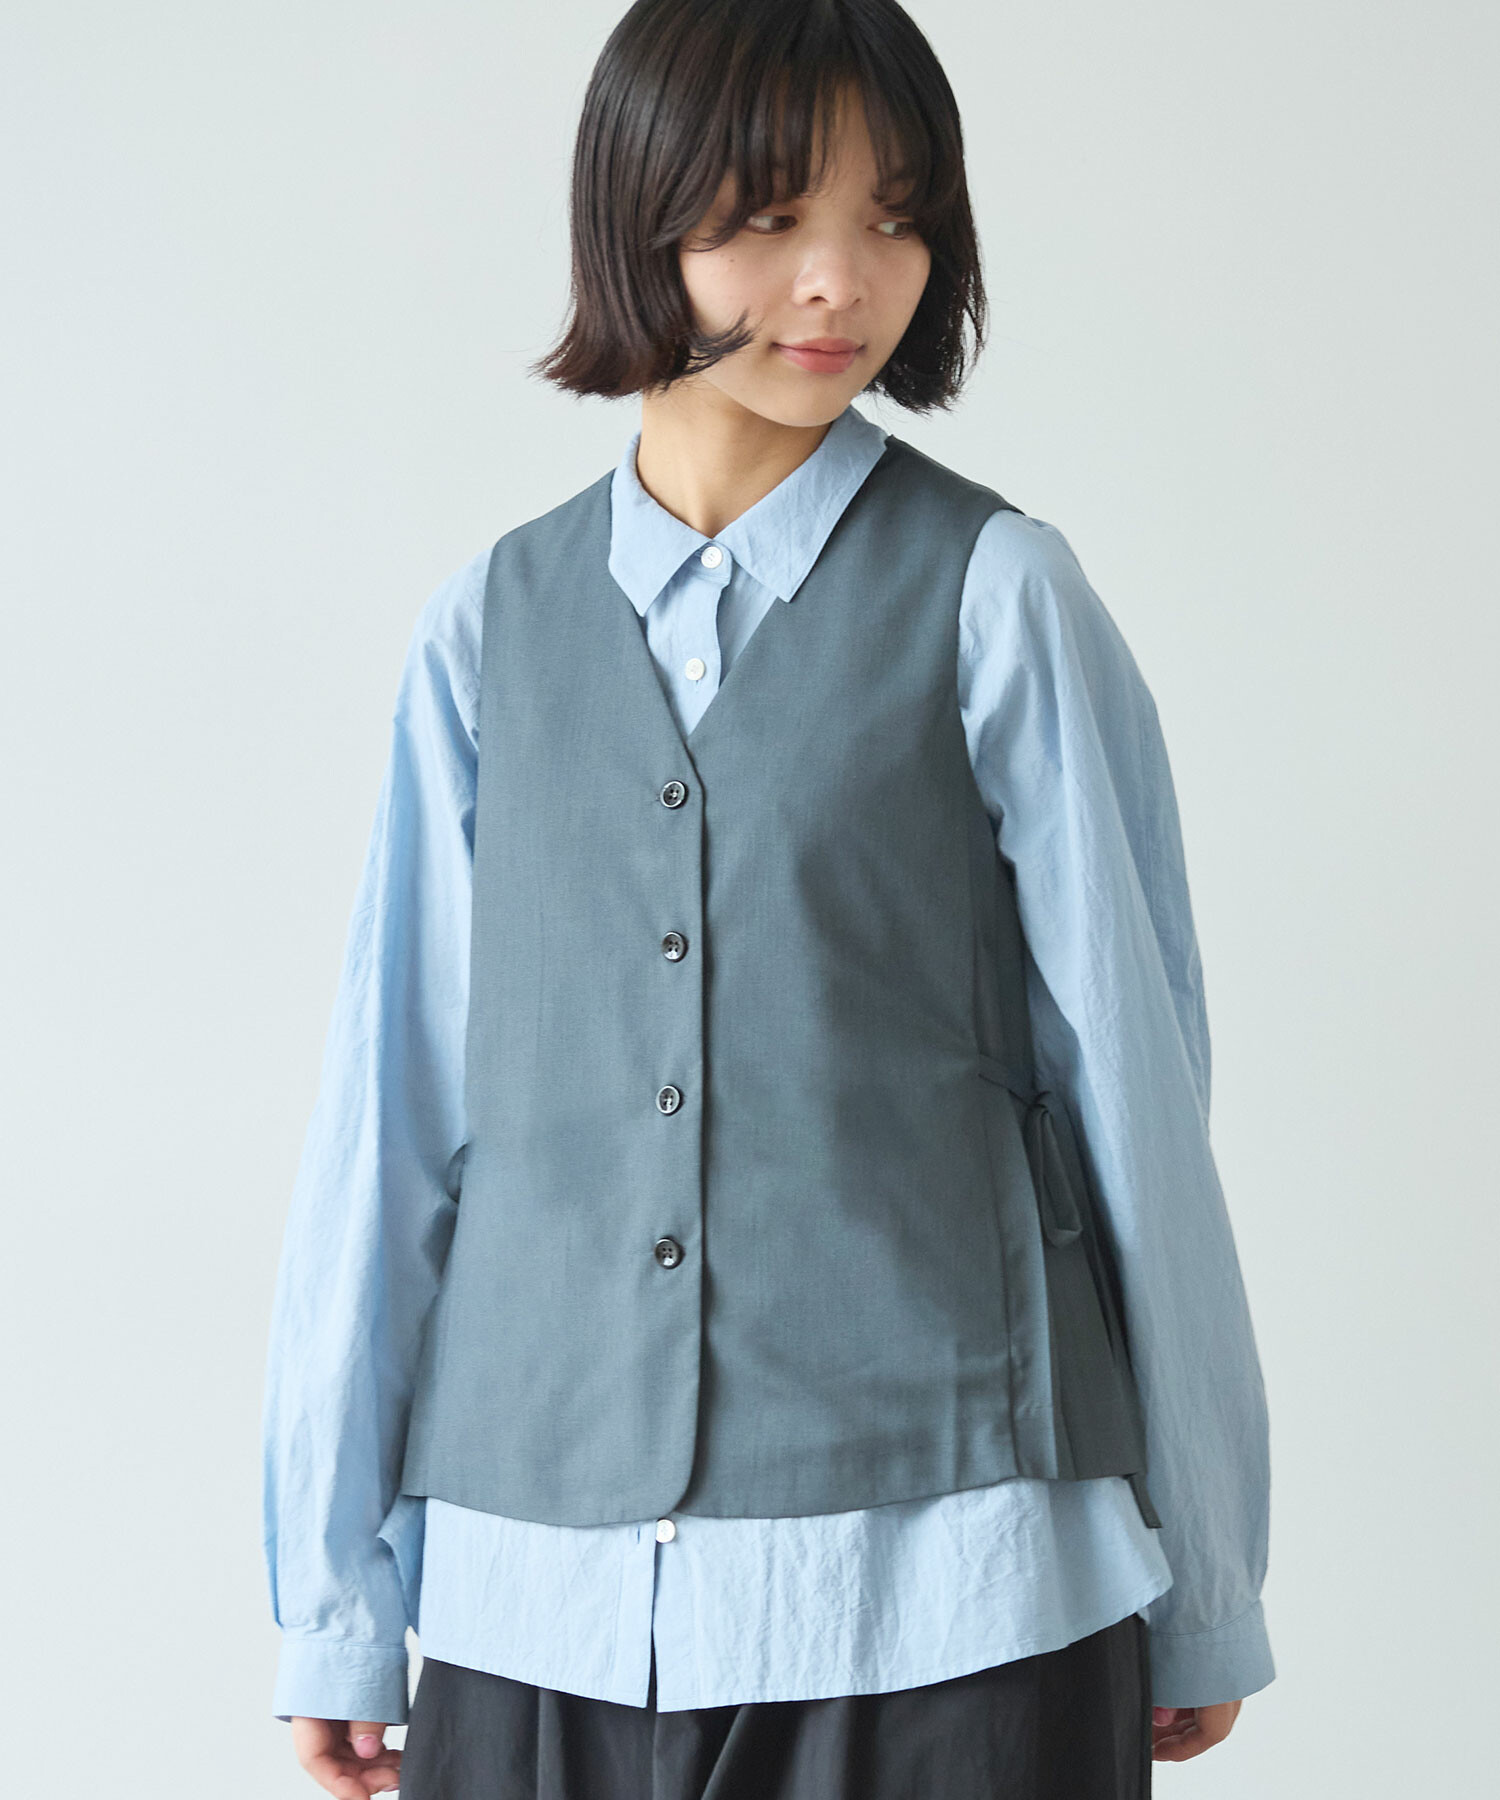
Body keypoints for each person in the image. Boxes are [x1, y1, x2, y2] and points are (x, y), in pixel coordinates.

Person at [260, 2, 1274, 1795]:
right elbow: (390, 1125)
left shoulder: (999, 595)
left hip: (952, 1593)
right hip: (539, 1603)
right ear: (638, 214)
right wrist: (335, 1598)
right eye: (771, 216)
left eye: (896, 218)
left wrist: (1202, 1580)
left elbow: (1136, 1099)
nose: (840, 283)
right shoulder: (485, 634)